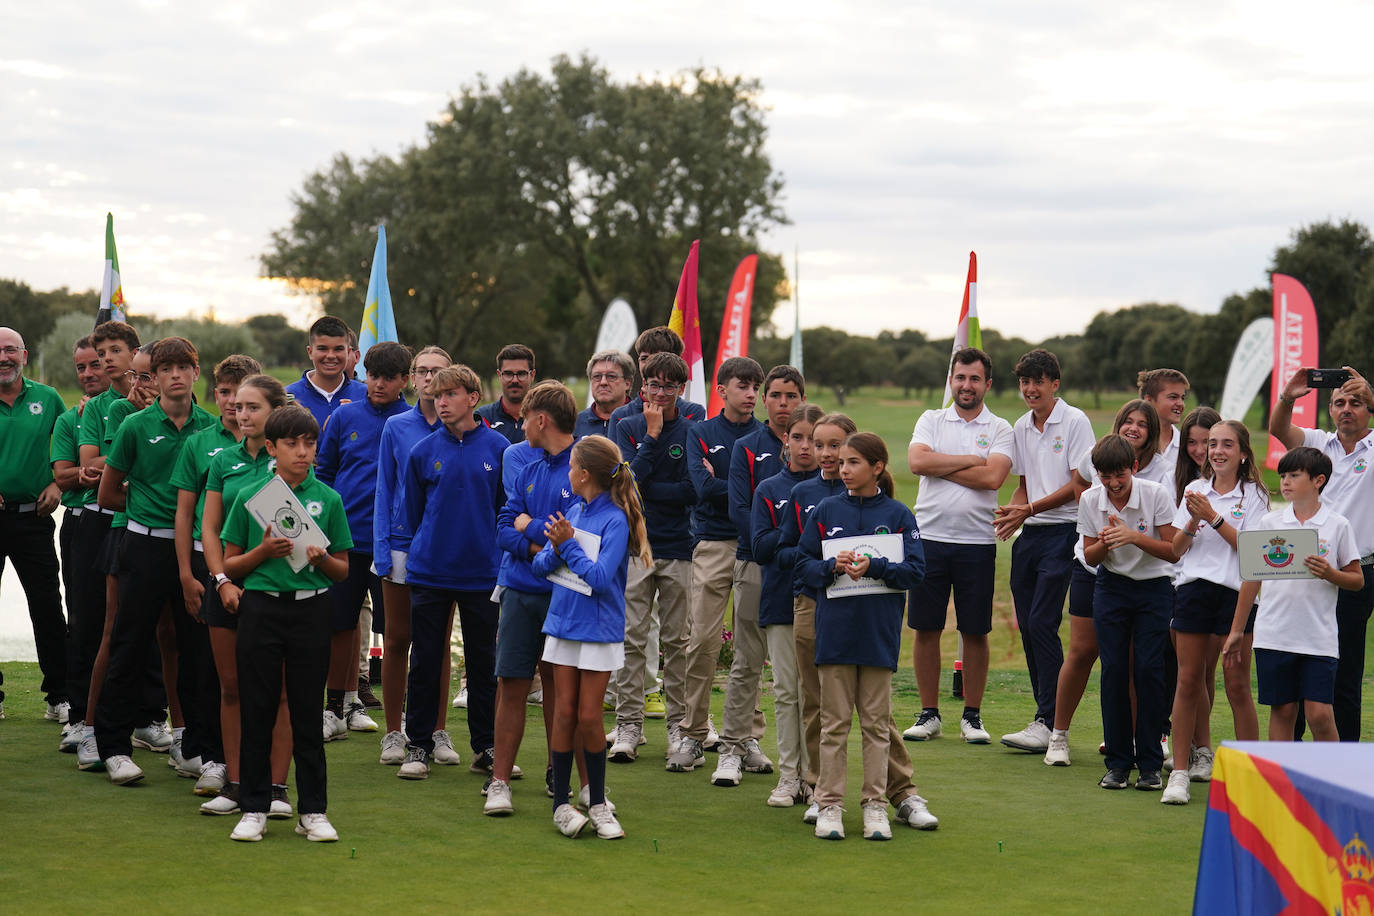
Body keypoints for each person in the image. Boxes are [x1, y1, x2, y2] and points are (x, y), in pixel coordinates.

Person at [222, 405, 352, 843]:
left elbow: (343, 571)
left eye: (309, 443)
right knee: (257, 708)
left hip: (311, 610)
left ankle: (313, 810)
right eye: (291, 444)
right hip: (261, 609)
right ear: (271, 448)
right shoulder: (250, 497)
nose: (302, 452)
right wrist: (262, 553)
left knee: (305, 712)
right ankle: (254, 806)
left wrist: (323, 559)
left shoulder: (329, 500)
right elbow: (230, 564)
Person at [94, 337, 219, 785]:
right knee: (131, 642)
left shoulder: (212, 427)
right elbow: (108, 492)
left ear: (194, 373)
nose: (175, 376)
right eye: (166, 369)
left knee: (197, 650)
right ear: (156, 376)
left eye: (184, 367)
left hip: (197, 551)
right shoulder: (134, 425)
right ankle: (112, 746)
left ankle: (196, 747)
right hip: (144, 546)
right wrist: (142, 501)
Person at [799, 433, 928, 841]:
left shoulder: (899, 514)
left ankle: (875, 806)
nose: (843, 468)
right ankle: (830, 805)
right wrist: (828, 567)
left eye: (853, 462)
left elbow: (915, 572)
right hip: (835, 634)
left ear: (876, 467)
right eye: (842, 462)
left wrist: (877, 565)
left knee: (875, 726)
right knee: (834, 725)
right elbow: (801, 564)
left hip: (878, 634)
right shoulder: (825, 509)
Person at [531, 435, 651, 840]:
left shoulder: (615, 519)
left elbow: (600, 579)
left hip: (599, 631)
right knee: (563, 713)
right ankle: (560, 804)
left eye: (571, 467)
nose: (568, 472)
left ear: (584, 474)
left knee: (588, 716)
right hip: (563, 625)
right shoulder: (574, 511)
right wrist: (555, 547)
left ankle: (597, 803)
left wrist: (569, 547)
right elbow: (542, 567)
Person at [396, 365, 505, 780]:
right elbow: (413, 514)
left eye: (450, 395)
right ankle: (418, 746)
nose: (440, 402)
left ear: (472, 398)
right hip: (430, 573)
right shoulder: (422, 451)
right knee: (423, 661)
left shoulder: (498, 448)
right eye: (436, 396)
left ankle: (487, 747)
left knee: (484, 664)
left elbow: (503, 512)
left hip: (483, 575)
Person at [1044, 399, 1166, 766]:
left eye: (1142, 423)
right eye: (1128, 421)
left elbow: (1171, 544)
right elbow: (1082, 486)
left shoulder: (1160, 470)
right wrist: (1100, 528)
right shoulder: (1096, 461)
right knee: (1083, 652)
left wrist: (1126, 535)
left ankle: (1128, 740)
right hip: (1095, 571)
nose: (1133, 427)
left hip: (1140, 575)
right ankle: (1058, 735)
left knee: (1131, 663)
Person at [198, 374, 296, 817]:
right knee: (233, 688)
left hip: (277, 594)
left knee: (278, 692)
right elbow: (210, 529)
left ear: (275, 410)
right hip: (230, 589)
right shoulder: (224, 461)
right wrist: (222, 581)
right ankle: (236, 783)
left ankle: (276, 788)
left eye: (252, 407)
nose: (242, 414)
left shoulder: (292, 460)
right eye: (238, 406)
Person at [904, 348, 1012, 745]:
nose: (967, 385)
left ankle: (973, 716)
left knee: (975, 631)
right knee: (926, 628)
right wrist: (970, 459)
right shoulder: (931, 419)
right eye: (961, 377)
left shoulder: (1001, 427)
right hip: (929, 537)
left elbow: (993, 479)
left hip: (977, 542)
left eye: (975, 379)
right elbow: (917, 463)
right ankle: (929, 713)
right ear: (951, 380)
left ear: (987, 384)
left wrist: (943, 463)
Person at [1221, 448, 1361, 752]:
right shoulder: (1270, 523)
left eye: (1294, 475)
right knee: (1283, 711)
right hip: (1274, 635)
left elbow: (1357, 579)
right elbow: (1251, 579)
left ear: (1318, 480)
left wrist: (1330, 574)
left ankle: (1335, 786)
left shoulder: (1337, 525)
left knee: (1320, 715)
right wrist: (1236, 631)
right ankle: (1283, 788)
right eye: (1283, 475)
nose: (1285, 481)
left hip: (1318, 638)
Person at [484, 381, 580, 814]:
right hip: (522, 591)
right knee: (511, 684)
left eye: (524, 417)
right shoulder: (527, 469)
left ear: (541, 420)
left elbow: (576, 532)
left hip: (566, 595)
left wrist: (531, 526)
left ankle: (558, 775)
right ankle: (499, 780)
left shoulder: (587, 469)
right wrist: (538, 542)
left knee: (562, 688)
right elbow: (504, 525)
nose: (521, 425)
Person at [1160, 419, 1267, 805]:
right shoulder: (1194, 489)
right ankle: (1180, 774)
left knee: (1237, 684)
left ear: (1242, 454)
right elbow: (1175, 550)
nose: (1216, 451)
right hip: (1193, 591)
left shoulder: (1255, 495)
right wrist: (1193, 518)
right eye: (1212, 444)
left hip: (1237, 596)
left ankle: (1249, 775)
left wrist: (1213, 516)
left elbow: (1253, 551)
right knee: (1188, 681)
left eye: (1225, 444)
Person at [171, 353, 263, 798]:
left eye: (244, 396)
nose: (233, 405)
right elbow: (190, 517)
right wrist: (197, 576)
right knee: (209, 672)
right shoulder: (204, 446)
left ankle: (261, 770)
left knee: (261, 678)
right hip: (216, 574)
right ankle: (214, 760)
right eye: (226, 394)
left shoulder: (283, 448)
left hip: (266, 579)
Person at [995, 349, 1095, 753]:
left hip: (1066, 530)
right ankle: (1043, 716)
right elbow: (1024, 483)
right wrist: (1015, 513)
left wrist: (1029, 508)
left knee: (1041, 622)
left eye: (1038, 381)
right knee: (1029, 625)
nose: (1030, 389)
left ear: (1055, 383)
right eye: (1025, 382)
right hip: (1032, 535)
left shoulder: (1075, 421)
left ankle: (1049, 720)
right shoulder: (1021, 425)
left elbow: (1078, 485)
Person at [1269, 367, 1374, 741]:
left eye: (1357, 403)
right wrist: (1287, 396)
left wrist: (1371, 392)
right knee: (1298, 664)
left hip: (1354, 571)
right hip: (1302, 570)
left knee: (1343, 673)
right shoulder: (1317, 442)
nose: (1347, 409)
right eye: (1340, 403)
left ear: (1369, 410)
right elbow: (1280, 431)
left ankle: (1342, 765)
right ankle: (1293, 759)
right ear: (1330, 410)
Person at [670, 356, 764, 772]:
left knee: (750, 648)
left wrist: (734, 489)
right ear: (721, 391)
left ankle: (746, 738)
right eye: (742, 386)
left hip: (753, 546)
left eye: (755, 386)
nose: (751, 394)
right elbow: (701, 489)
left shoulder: (766, 437)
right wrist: (744, 490)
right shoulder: (701, 432)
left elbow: (765, 493)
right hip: (711, 543)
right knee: (703, 642)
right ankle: (692, 735)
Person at [316, 341, 412, 743]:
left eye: (388, 377)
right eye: (372, 375)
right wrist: (324, 526)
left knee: (397, 635)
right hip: (347, 539)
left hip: (393, 543)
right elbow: (324, 472)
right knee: (340, 624)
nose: (378, 384)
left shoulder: (413, 421)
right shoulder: (344, 417)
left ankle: (399, 717)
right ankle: (336, 707)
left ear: (405, 380)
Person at [715, 364, 805, 785]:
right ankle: (733, 747)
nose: (783, 403)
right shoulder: (748, 447)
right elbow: (740, 510)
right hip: (755, 564)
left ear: (801, 400)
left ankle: (807, 762)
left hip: (806, 574)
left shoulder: (817, 444)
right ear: (765, 399)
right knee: (748, 661)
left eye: (792, 396)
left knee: (801, 671)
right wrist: (780, 546)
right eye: (776, 395)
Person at [608, 353, 696, 762]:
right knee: (632, 637)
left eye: (669, 386)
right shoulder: (625, 426)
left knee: (678, 641)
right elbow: (624, 483)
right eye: (653, 386)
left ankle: (680, 726)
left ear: (681, 389)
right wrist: (653, 437)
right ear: (642, 387)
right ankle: (629, 724)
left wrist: (648, 486)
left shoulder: (694, 428)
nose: (660, 394)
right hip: (634, 546)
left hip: (679, 545)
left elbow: (693, 489)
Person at [1078, 434, 1178, 791]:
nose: (1114, 484)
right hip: (1112, 586)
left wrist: (1134, 537)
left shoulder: (1155, 494)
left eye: (1120, 474)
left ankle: (1150, 763)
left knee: (1150, 670)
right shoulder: (1091, 499)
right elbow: (1089, 556)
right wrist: (1105, 543)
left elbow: (1172, 551)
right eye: (1106, 476)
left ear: (1134, 467)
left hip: (1154, 588)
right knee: (1114, 671)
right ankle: (1118, 763)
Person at [372, 346, 452, 763]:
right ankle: (393, 731)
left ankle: (437, 731)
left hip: (444, 549)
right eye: (421, 371)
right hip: (401, 545)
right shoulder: (397, 427)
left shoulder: (462, 429)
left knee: (434, 642)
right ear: (413, 377)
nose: (428, 378)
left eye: (437, 371)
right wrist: (382, 548)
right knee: (398, 638)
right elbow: (385, 488)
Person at [750, 404, 822, 806]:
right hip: (779, 599)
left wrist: (792, 544)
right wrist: (804, 548)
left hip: (824, 604)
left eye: (814, 439)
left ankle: (816, 778)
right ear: (785, 440)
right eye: (798, 437)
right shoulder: (770, 489)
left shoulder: (834, 489)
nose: (806, 446)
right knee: (786, 693)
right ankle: (789, 776)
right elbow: (761, 549)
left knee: (816, 695)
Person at [0, 326, 69, 723]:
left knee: (46, 608)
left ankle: (58, 695)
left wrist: (57, 482)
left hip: (33, 518)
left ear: (25, 355)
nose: (4, 357)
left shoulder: (48, 398)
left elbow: (72, 447)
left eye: (11, 350)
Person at [52, 335, 108, 749]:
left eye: (95, 365)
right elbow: (65, 475)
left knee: (128, 622)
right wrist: (88, 471)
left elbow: (88, 469)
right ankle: (77, 712)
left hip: (127, 521)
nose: (89, 374)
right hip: (79, 521)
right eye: (82, 368)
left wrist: (93, 469)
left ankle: (136, 715)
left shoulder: (136, 412)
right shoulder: (70, 418)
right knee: (82, 620)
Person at [608, 327, 707, 438]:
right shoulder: (620, 416)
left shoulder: (692, 412)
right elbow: (616, 455)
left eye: (657, 358)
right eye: (644, 358)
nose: (649, 364)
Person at [285, 316, 366, 427]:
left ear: (348, 352)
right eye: (323, 348)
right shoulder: (288, 396)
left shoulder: (366, 396)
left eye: (338, 349)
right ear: (310, 352)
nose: (331, 356)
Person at [1136, 370, 1189, 487]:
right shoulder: (1132, 443)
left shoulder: (1187, 446)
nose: (1180, 404)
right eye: (1173, 397)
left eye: (1182, 398)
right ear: (1148, 400)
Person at [476, 343, 535, 444]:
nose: (515, 380)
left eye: (521, 374)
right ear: (499, 375)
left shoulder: (544, 418)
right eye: (508, 374)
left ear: (532, 375)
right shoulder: (482, 417)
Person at [575, 349, 634, 439]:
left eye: (611, 376)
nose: (603, 382)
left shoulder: (644, 419)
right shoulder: (575, 423)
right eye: (597, 376)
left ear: (627, 383)